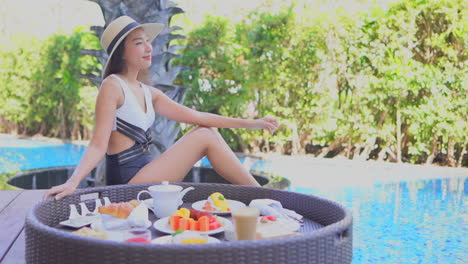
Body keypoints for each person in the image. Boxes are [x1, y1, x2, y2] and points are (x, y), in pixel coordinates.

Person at [43, 16, 278, 200]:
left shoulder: (148, 91)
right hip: (127, 184)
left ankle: (264, 197)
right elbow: (98, 143)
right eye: (138, 42)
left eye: (147, 41)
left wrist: (253, 123)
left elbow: (197, 116)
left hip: (147, 174)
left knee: (207, 130)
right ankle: (266, 197)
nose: (148, 47)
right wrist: (73, 182)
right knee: (205, 135)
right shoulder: (112, 86)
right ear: (121, 54)